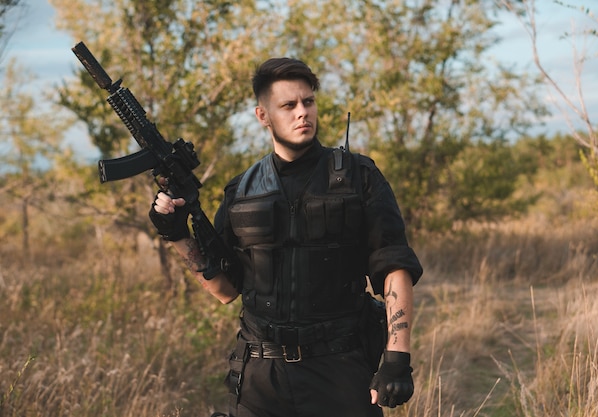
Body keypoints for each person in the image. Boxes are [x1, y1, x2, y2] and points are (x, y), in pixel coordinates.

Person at [149, 57, 423, 417]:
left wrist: (397, 357)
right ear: (263, 115)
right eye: (289, 105)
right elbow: (226, 290)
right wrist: (175, 234)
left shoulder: (359, 176)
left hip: (339, 367)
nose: (302, 113)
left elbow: (394, 265)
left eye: (308, 102)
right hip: (261, 375)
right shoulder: (242, 191)